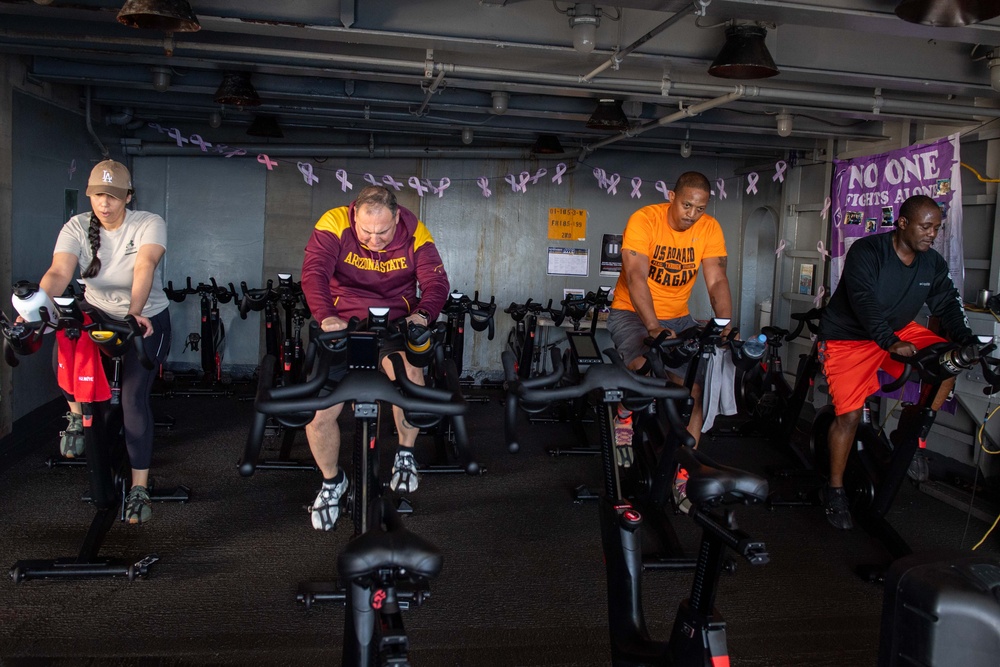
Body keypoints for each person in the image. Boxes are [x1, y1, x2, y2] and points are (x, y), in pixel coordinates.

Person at [817, 194, 975, 530]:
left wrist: (966, 340)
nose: (932, 234)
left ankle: (910, 436)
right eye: (926, 226)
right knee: (847, 416)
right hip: (850, 337)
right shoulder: (868, 251)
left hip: (900, 330)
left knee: (950, 361)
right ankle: (834, 490)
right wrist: (889, 342)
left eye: (937, 228)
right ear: (902, 223)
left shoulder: (931, 263)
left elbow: (947, 302)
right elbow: (863, 301)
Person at [300, 185, 450, 531]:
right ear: (355, 217)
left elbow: (436, 284)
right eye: (366, 231)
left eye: (382, 232)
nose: (373, 239)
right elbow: (315, 273)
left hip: (393, 322)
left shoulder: (415, 231)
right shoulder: (335, 222)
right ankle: (332, 481)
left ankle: (406, 454)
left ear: (396, 218)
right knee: (319, 412)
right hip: (343, 322)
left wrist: (423, 315)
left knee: (409, 377)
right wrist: (325, 315)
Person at [36, 159, 171, 524]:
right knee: (63, 349)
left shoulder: (148, 223)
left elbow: (144, 266)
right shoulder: (77, 226)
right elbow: (59, 271)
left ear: (128, 196)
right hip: (97, 314)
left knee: (132, 400)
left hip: (144, 320)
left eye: (112, 196)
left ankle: (140, 488)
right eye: (98, 195)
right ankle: (76, 417)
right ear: (89, 196)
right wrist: (34, 308)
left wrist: (135, 311)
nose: (105, 203)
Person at [607, 170, 733, 512]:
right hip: (631, 311)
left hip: (678, 317)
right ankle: (624, 411)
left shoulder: (709, 229)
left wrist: (724, 321)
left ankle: (682, 470)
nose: (692, 214)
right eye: (687, 205)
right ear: (672, 198)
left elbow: (717, 278)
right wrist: (651, 326)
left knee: (691, 390)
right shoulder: (644, 220)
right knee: (644, 369)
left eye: (700, 208)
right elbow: (635, 276)